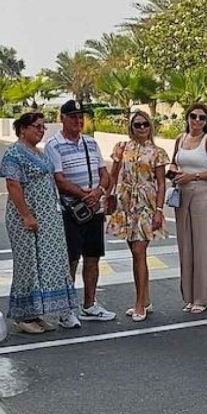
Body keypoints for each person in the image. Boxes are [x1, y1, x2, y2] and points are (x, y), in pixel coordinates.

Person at [0, 112, 76, 334]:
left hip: (47, 219)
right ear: (22, 129)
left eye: (43, 127)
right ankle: (23, 315)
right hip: (26, 218)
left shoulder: (39, 153)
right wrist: (26, 215)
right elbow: (13, 185)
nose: (41, 131)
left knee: (43, 264)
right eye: (36, 127)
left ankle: (36, 312)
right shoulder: (14, 153)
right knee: (27, 264)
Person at [45, 100, 116, 326]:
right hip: (71, 211)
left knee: (93, 257)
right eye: (73, 116)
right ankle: (66, 310)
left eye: (81, 117)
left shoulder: (91, 143)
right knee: (71, 260)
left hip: (94, 210)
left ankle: (89, 304)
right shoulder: (53, 145)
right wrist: (84, 195)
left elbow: (104, 173)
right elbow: (59, 179)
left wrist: (99, 192)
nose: (78, 120)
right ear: (62, 119)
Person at [105, 110, 168, 322]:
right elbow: (113, 175)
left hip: (146, 205)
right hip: (125, 204)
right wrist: (108, 196)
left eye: (145, 124)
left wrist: (159, 210)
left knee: (140, 251)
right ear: (130, 128)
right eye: (137, 125)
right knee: (135, 252)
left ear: (150, 126)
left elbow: (161, 183)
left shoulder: (157, 152)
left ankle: (139, 303)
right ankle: (146, 298)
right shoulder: (122, 148)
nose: (141, 128)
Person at [169, 103, 207, 313]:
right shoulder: (180, 139)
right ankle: (190, 295)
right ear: (187, 118)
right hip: (182, 192)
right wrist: (174, 171)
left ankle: (204, 296)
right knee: (185, 244)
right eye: (194, 116)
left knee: (203, 245)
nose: (197, 121)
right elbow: (174, 162)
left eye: (202, 118)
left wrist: (195, 175)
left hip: (201, 192)